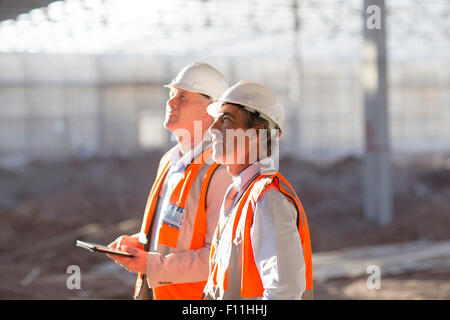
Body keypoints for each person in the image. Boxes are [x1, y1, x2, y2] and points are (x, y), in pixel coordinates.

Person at [106, 62, 232, 300]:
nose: (171, 102)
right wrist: (138, 243)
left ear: (211, 109)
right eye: (172, 94)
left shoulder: (220, 171)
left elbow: (219, 258)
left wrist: (153, 265)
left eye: (183, 96)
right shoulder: (169, 162)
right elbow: (170, 234)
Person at [203, 80, 313, 300]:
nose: (212, 129)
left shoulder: (268, 198)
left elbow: (284, 293)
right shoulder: (240, 194)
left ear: (257, 134)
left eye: (226, 119)